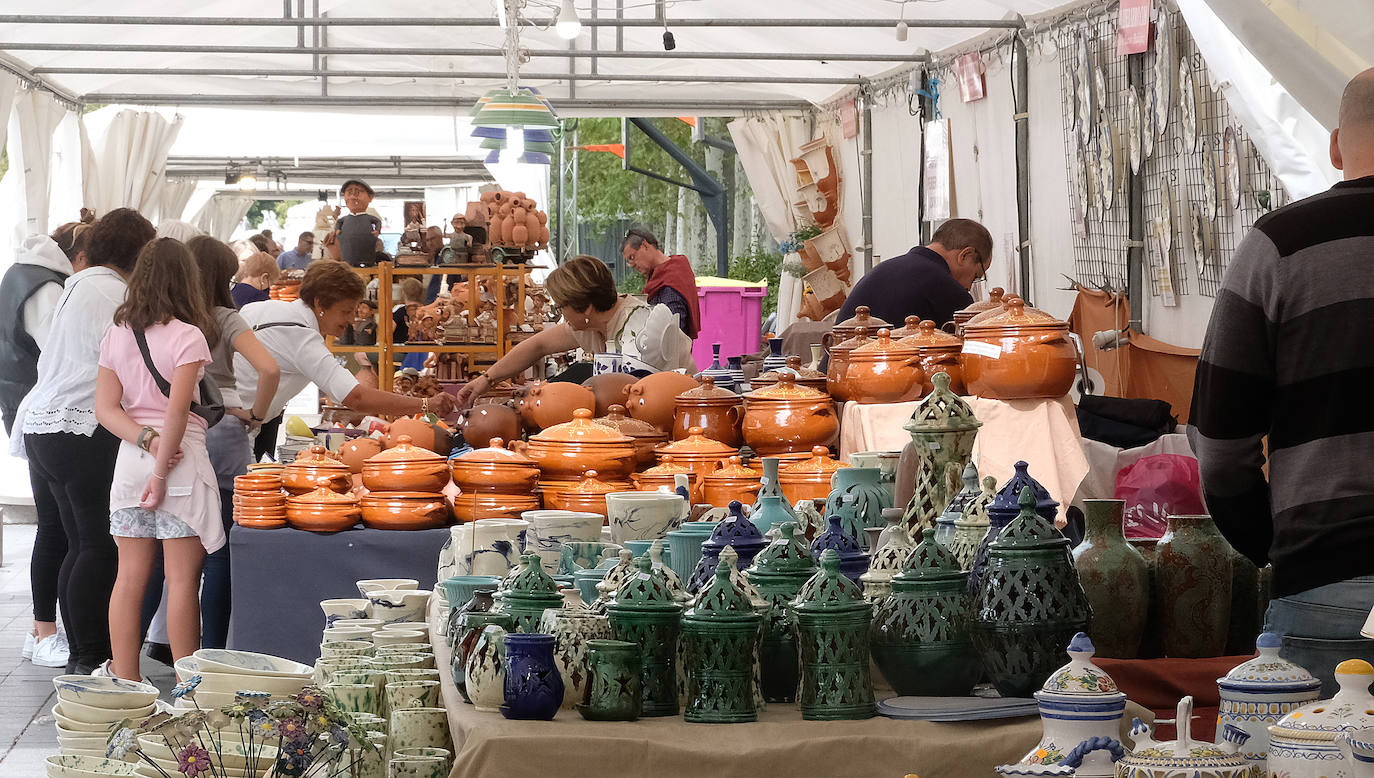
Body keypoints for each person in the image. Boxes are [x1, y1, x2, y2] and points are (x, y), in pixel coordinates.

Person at [1189, 67, 1374, 694]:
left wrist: (1272, 543)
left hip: (1327, 581)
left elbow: (1217, 448)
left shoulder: (1280, 245)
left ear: (1334, 145)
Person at [14, 208, 155, 674]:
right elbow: (129, 361)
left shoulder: (78, 281)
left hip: (46, 424)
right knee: (96, 543)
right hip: (78, 426)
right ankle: (91, 655)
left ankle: (83, 654)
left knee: (78, 542)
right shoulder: (112, 290)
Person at [94, 238, 222, 679]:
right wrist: (163, 469)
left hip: (130, 464)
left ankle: (126, 681)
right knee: (183, 581)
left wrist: (144, 441)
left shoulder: (116, 334)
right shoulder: (188, 336)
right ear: (187, 280)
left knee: (128, 579)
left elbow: (105, 409)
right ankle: (188, 687)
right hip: (180, 465)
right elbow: (178, 411)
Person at [231, 260, 454, 473]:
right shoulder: (302, 337)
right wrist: (426, 404)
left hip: (224, 420)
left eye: (354, 311)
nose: (351, 319)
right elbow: (355, 397)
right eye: (345, 311)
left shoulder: (263, 308)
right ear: (319, 304)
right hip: (236, 430)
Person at [2, 221, 89, 669]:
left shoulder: (26, 272)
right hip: (44, 412)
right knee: (57, 525)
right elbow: (63, 352)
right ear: (78, 259)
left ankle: (40, 630)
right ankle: (44, 631)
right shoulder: (47, 287)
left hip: (27, 408)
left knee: (54, 524)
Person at [187, 236, 280, 649]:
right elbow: (269, 370)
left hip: (180, 430)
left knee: (174, 553)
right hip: (224, 426)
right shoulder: (226, 317)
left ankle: (165, 647)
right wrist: (258, 415)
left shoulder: (172, 316)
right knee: (221, 547)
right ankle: (214, 647)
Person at [455, 255, 695, 409]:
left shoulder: (638, 329)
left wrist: (549, 392)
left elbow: (630, 398)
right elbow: (537, 346)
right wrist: (486, 379)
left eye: (562, 306)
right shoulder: (590, 323)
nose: (561, 314)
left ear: (586, 307)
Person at [833, 218, 993, 329]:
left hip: (834, 371)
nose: (969, 286)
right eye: (975, 276)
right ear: (965, 255)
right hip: (876, 374)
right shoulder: (947, 287)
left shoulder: (885, 268)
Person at [621, 228, 700, 338]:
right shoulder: (658, 276)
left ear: (644, 245)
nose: (632, 265)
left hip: (670, 351)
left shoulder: (671, 279)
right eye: (629, 262)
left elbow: (673, 330)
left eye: (632, 257)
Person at [334, 180, 383, 267]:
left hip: (367, 257)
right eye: (349, 193)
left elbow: (377, 221)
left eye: (357, 193)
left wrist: (377, 231)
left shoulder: (369, 218)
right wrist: (338, 231)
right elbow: (339, 222)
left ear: (370, 197)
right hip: (347, 257)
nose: (352, 197)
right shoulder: (344, 220)